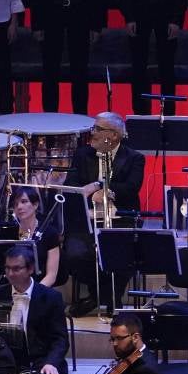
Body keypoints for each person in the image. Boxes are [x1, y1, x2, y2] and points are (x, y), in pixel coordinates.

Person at [63, 112, 145, 314]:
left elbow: (131, 187)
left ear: (114, 135)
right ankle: (104, 296)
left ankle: (98, 299)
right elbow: (71, 185)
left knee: (124, 254)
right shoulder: (82, 155)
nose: (93, 133)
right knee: (75, 254)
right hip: (87, 219)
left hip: (120, 218)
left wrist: (104, 187)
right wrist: (90, 192)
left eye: (98, 129)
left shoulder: (135, 158)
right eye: (94, 128)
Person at [0, 245, 68, 374]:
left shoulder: (51, 297)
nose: (10, 273)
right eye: (7, 268)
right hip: (8, 363)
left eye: (16, 268)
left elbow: (60, 339)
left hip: (41, 362)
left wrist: (51, 363)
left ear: (30, 269)